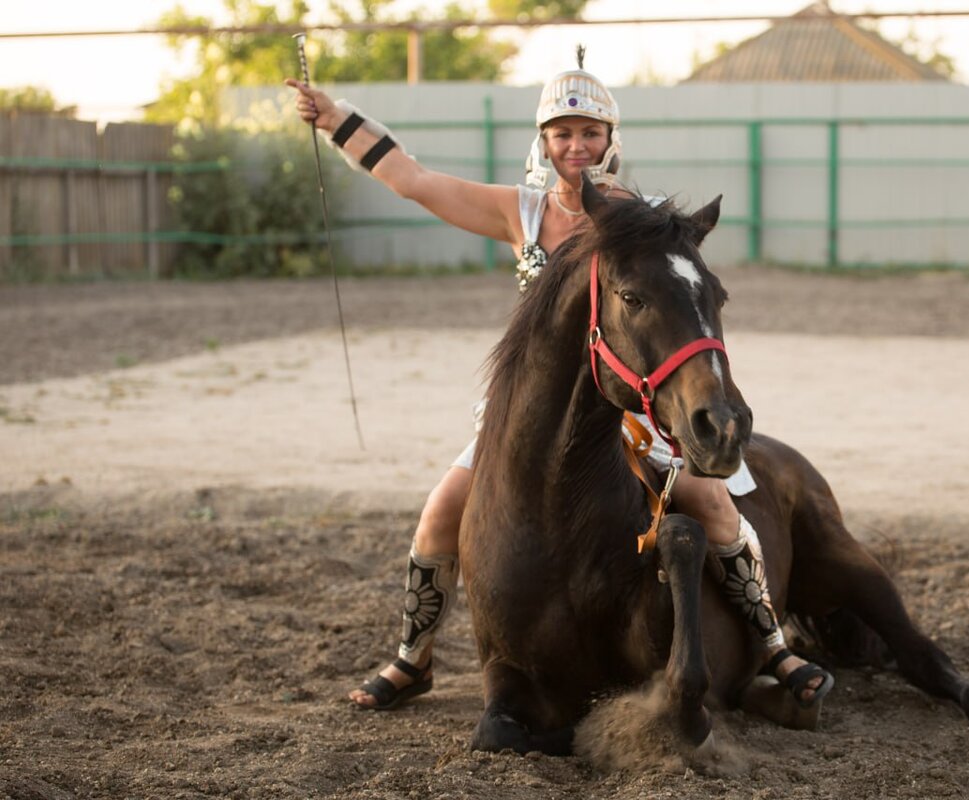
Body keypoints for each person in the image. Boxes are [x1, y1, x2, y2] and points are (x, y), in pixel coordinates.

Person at [285, 51, 833, 714]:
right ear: (543, 142)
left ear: (611, 140)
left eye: (590, 133)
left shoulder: (644, 221)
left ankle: (772, 642)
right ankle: (414, 657)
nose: (576, 146)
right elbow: (412, 179)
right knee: (437, 516)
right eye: (562, 134)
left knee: (716, 507)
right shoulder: (519, 212)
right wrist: (335, 117)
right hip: (532, 414)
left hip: (628, 412)